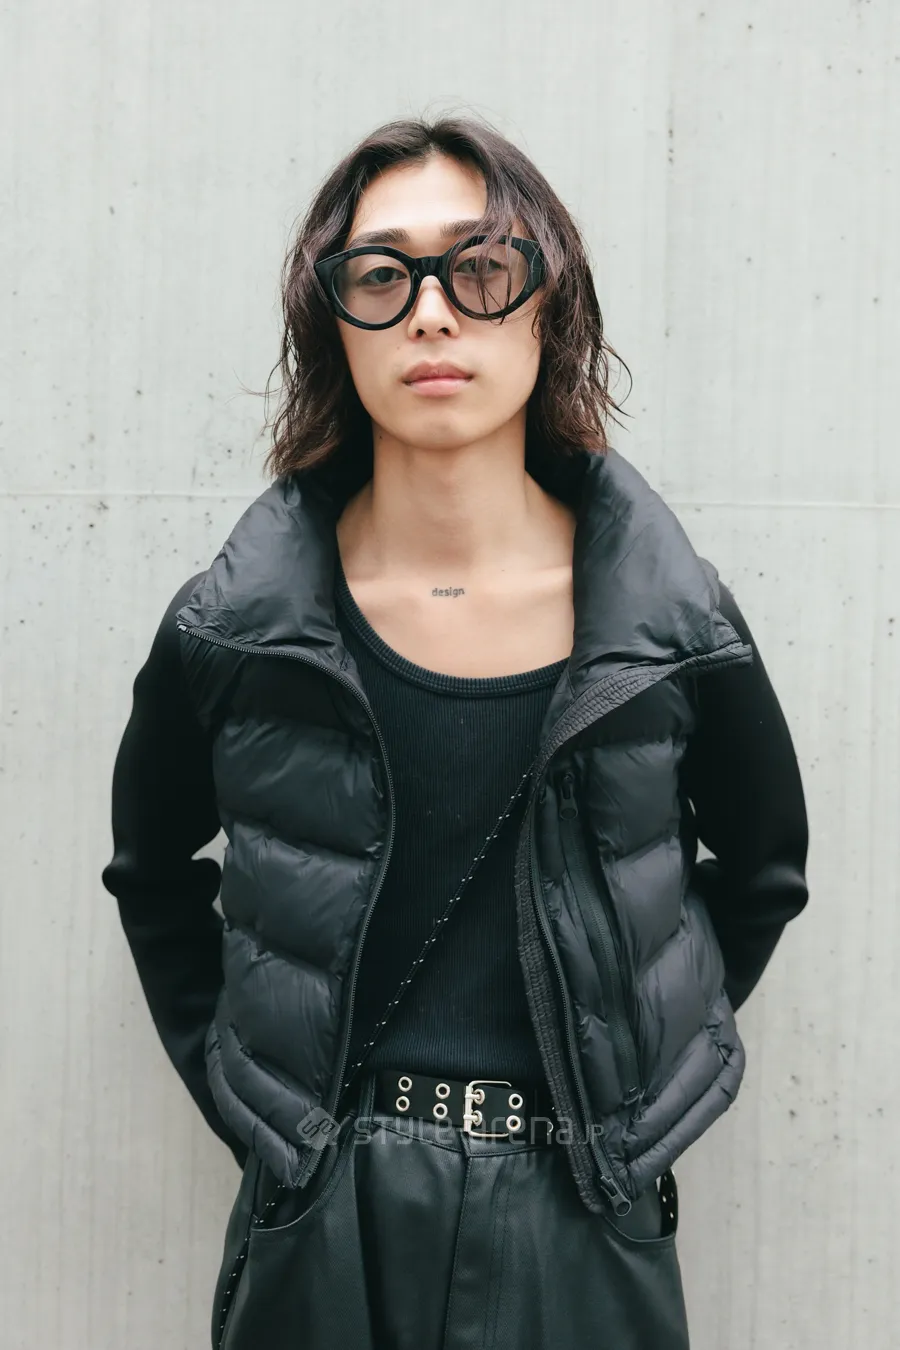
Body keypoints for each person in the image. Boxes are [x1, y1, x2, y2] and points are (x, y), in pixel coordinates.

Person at [101, 114, 809, 1350]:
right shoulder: (238, 628)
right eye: (381, 275)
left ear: (550, 305)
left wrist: (628, 1076)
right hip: (320, 1208)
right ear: (333, 321)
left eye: (481, 268)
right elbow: (152, 872)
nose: (431, 313)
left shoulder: (671, 626)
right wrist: (256, 1098)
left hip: (583, 1212)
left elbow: (763, 871)